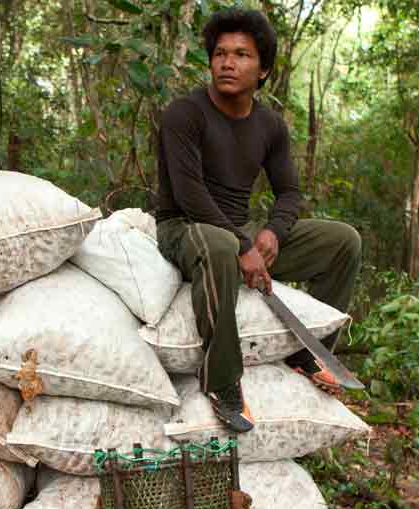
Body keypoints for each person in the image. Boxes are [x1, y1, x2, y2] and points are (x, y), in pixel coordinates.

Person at [155, 8, 362, 433]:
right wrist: (242, 246)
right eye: (219, 53)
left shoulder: (270, 125)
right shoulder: (184, 114)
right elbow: (189, 196)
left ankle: (310, 351)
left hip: (239, 232)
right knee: (219, 245)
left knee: (344, 240)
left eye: (242, 55)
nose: (227, 63)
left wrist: (271, 233)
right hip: (185, 229)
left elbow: (289, 193)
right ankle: (222, 380)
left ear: (263, 69)